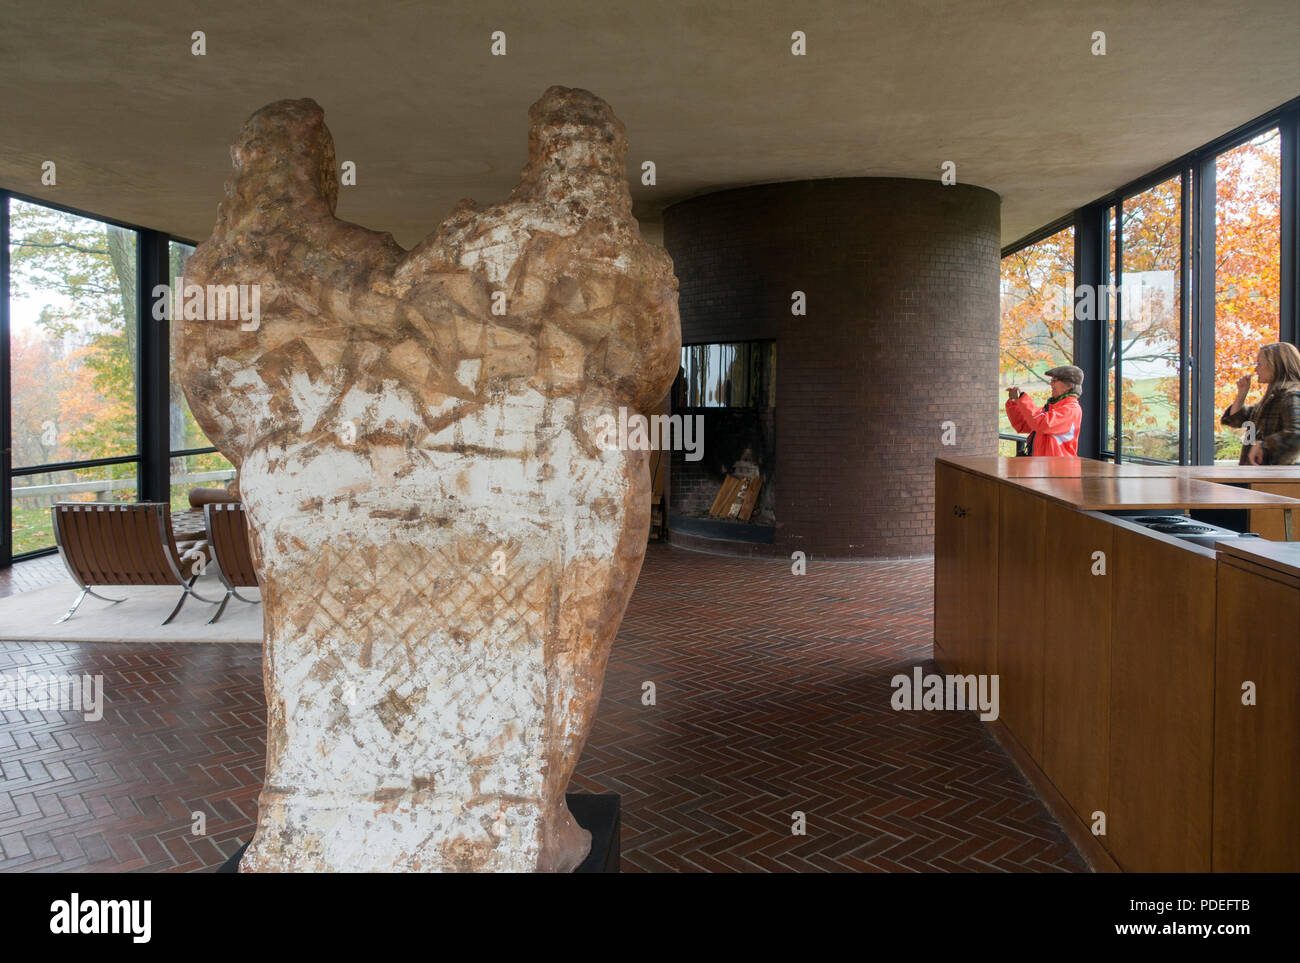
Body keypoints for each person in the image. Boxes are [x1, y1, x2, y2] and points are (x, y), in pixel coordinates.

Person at [1221, 341, 1300, 465]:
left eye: (1259, 364)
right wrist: (1242, 394)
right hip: (1261, 475)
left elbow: (1297, 433)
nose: (1255, 369)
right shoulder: (1272, 399)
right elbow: (1237, 420)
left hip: (1274, 478)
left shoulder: (1291, 395)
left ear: (1275, 365)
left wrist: (1264, 445)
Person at [1005, 365, 1084, 456]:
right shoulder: (1051, 409)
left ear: (1068, 386)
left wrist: (1023, 399)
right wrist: (1014, 402)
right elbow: (1022, 425)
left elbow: (1042, 424)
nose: (1051, 384)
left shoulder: (1071, 409)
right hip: (1043, 466)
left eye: (1054, 381)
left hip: (1059, 468)